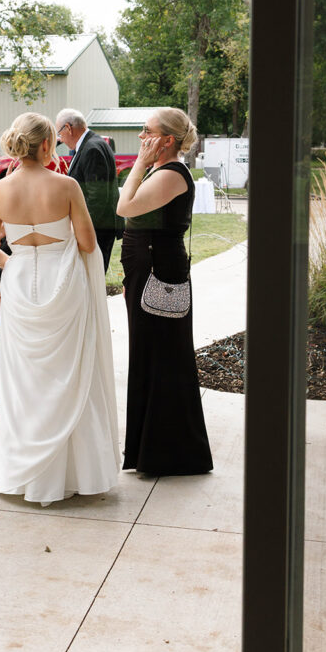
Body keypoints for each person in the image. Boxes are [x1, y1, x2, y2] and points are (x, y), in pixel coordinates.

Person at [0, 112, 120, 506]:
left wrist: (17, 266)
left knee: (24, 378)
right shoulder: (67, 185)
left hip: (20, 283)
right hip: (65, 284)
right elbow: (89, 244)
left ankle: (23, 469)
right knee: (71, 373)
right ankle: (75, 472)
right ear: (46, 145)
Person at [116, 107, 213, 477]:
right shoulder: (161, 171)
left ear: (167, 140)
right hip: (146, 268)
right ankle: (147, 450)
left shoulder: (172, 173)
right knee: (149, 354)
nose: (141, 137)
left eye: (147, 131)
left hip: (159, 272)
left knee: (162, 355)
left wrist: (139, 163)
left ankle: (169, 453)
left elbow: (125, 206)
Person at [55, 108, 123, 272]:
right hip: (99, 227)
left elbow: (97, 198)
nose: (60, 140)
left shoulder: (92, 149)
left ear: (68, 128)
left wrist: (80, 231)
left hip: (98, 229)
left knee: (92, 279)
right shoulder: (93, 143)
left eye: (60, 133)